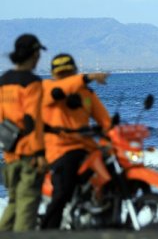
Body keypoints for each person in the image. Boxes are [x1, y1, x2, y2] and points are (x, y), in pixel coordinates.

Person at [41, 53, 112, 229]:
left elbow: (104, 120)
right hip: (59, 149)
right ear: (53, 75)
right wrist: (89, 77)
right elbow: (62, 88)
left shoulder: (85, 93)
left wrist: (111, 135)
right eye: (61, 73)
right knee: (63, 191)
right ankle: (46, 230)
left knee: (113, 168)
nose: (65, 76)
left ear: (74, 71)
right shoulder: (47, 88)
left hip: (86, 147)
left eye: (68, 72)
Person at [0, 34, 47, 231]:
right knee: (27, 207)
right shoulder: (32, 82)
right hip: (28, 154)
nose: (39, 59)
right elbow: (31, 120)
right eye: (37, 54)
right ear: (33, 55)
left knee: (13, 203)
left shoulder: (3, 81)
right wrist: (39, 154)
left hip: (9, 152)